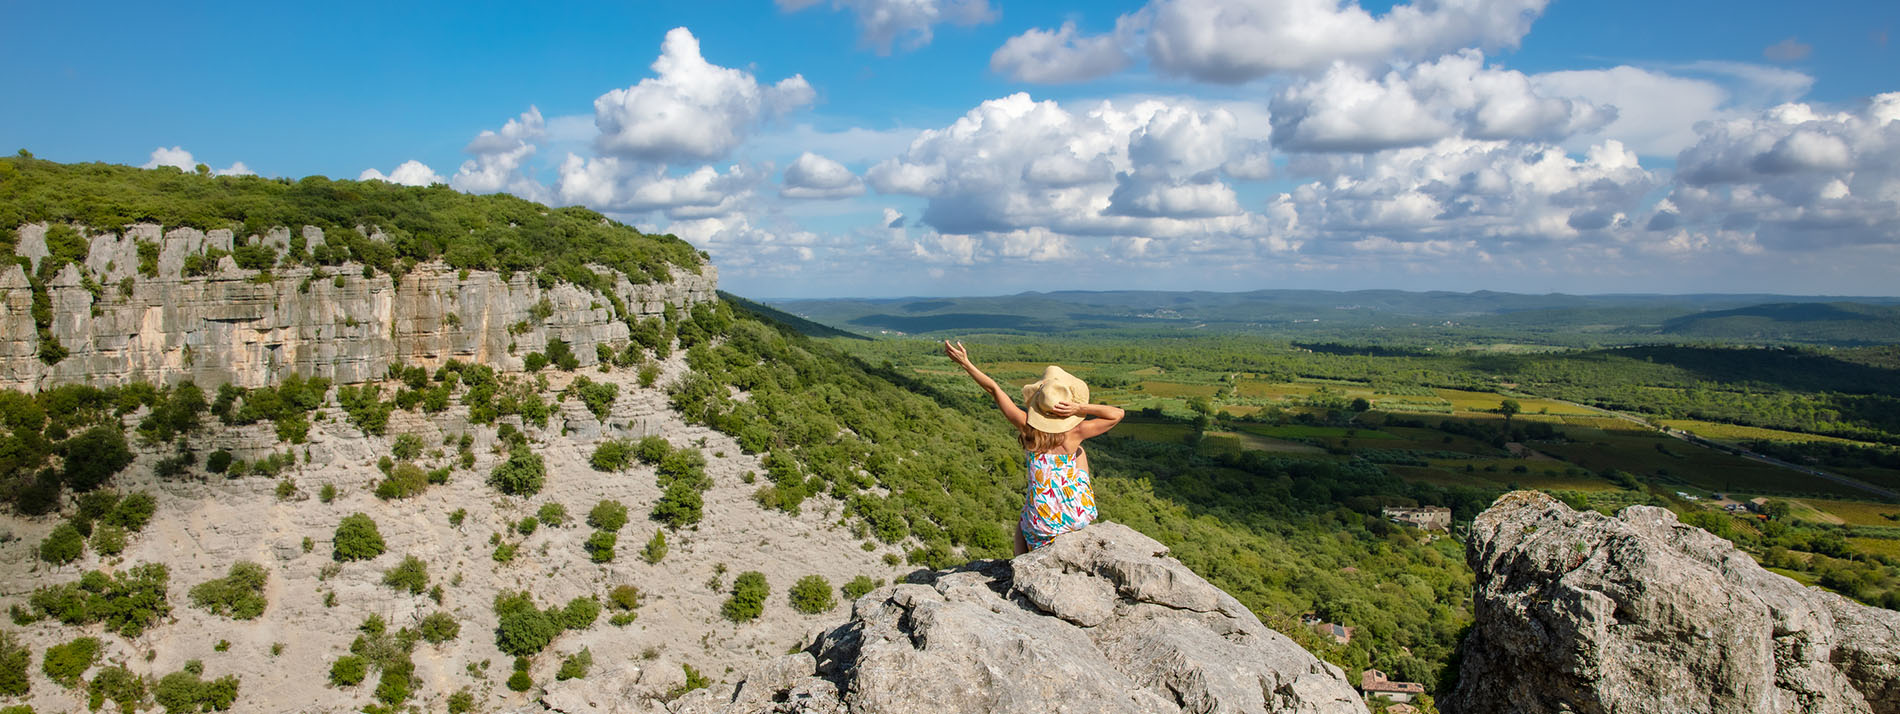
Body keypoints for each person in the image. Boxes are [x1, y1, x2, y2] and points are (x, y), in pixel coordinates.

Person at [944, 340, 1123, 555]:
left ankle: (1020, 564)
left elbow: (993, 388)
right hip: (1076, 516)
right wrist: (1079, 407)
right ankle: (1072, 501)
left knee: (1022, 523)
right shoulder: (1074, 434)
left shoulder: (1026, 427)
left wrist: (966, 363)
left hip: (1042, 523)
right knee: (1079, 453)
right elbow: (1117, 414)